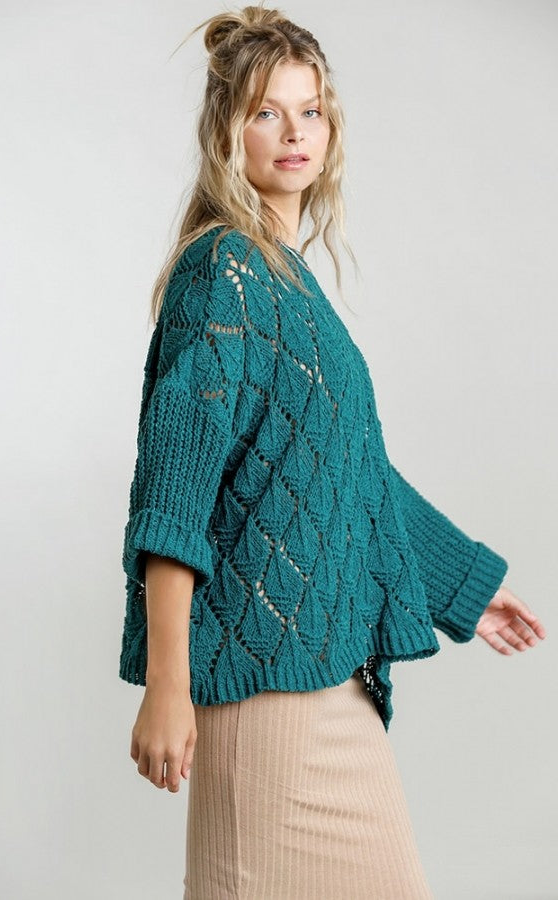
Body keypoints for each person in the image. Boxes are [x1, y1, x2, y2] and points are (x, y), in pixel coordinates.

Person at [119, 5, 547, 898]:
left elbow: (347, 474)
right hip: (262, 696)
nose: (293, 132)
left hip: (329, 684)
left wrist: (467, 585)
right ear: (227, 131)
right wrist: (167, 685)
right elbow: (174, 498)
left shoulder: (286, 281)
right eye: (266, 111)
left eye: (308, 110)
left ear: (330, 127)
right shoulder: (224, 273)